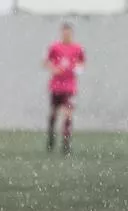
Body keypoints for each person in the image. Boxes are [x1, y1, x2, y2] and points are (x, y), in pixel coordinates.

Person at [44, 22, 85, 156]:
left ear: (72, 33)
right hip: (56, 86)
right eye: (64, 32)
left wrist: (78, 69)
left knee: (68, 114)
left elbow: (82, 62)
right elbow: (46, 62)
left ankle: (66, 144)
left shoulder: (77, 48)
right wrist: (54, 69)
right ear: (61, 33)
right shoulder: (54, 47)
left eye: (68, 32)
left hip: (70, 87)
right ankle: (51, 136)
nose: (66, 34)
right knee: (54, 113)